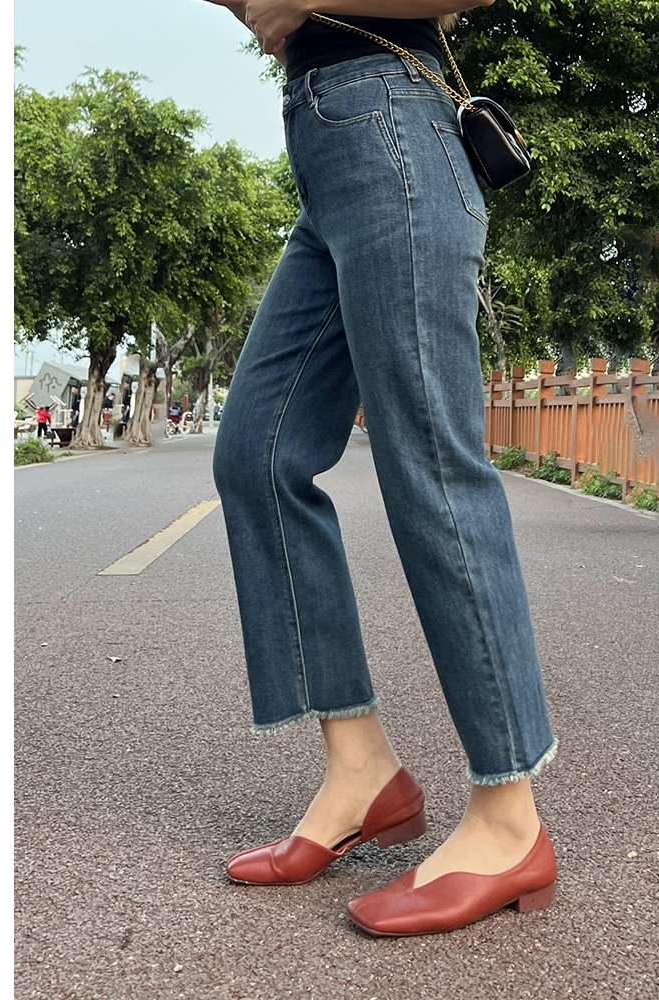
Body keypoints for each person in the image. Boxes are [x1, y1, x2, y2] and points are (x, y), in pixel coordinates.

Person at [209, 0, 557, 938]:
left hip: (393, 126)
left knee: (431, 462)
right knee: (257, 454)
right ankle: (361, 770)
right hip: (326, 153)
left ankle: (509, 818)